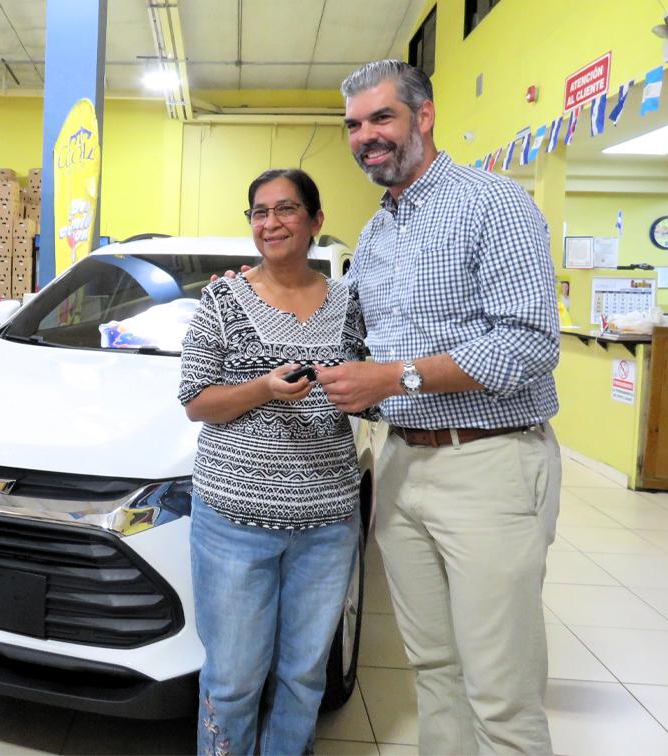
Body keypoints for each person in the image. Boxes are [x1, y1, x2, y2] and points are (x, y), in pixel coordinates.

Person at [316, 60, 561, 755]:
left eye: (380, 118)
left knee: (501, 696)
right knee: (434, 671)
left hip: (488, 461)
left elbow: (528, 344)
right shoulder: (377, 232)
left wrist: (395, 381)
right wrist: (264, 295)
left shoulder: (493, 203)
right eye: (354, 126)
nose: (366, 137)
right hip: (402, 464)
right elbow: (353, 331)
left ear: (423, 116)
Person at [179, 169, 367, 756]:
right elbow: (196, 401)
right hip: (234, 522)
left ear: (315, 221)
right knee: (233, 682)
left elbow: (372, 384)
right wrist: (262, 387)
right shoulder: (221, 298)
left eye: (286, 209)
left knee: (305, 675)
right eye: (259, 212)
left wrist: (358, 390)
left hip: (328, 522)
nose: (271, 222)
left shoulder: (349, 301)